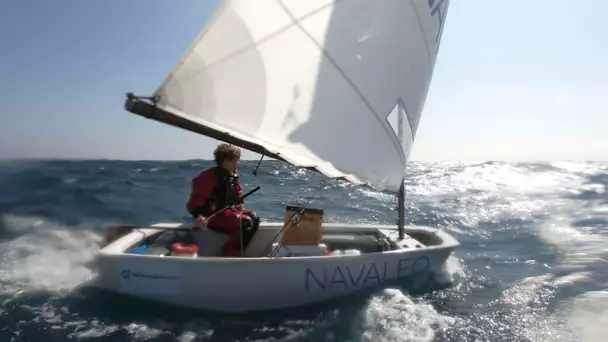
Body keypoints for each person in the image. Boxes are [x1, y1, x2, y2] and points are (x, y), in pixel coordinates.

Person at [186, 143, 260, 257]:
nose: (238, 163)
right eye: (236, 160)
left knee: (254, 217)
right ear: (226, 161)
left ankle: (238, 252)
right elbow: (195, 201)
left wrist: (240, 204)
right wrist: (199, 215)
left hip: (229, 212)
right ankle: (230, 256)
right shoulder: (209, 176)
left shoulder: (233, 174)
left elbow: (237, 193)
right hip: (213, 216)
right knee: (244, 222)